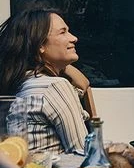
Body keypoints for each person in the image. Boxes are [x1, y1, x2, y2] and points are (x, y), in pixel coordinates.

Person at [0, 8, 88, 154]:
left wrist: (49, 62)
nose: (74, 38)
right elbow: (83, 152)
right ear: (40, 45)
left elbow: (83, 84)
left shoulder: (23, 82)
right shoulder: (54, 86)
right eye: (62, 32)